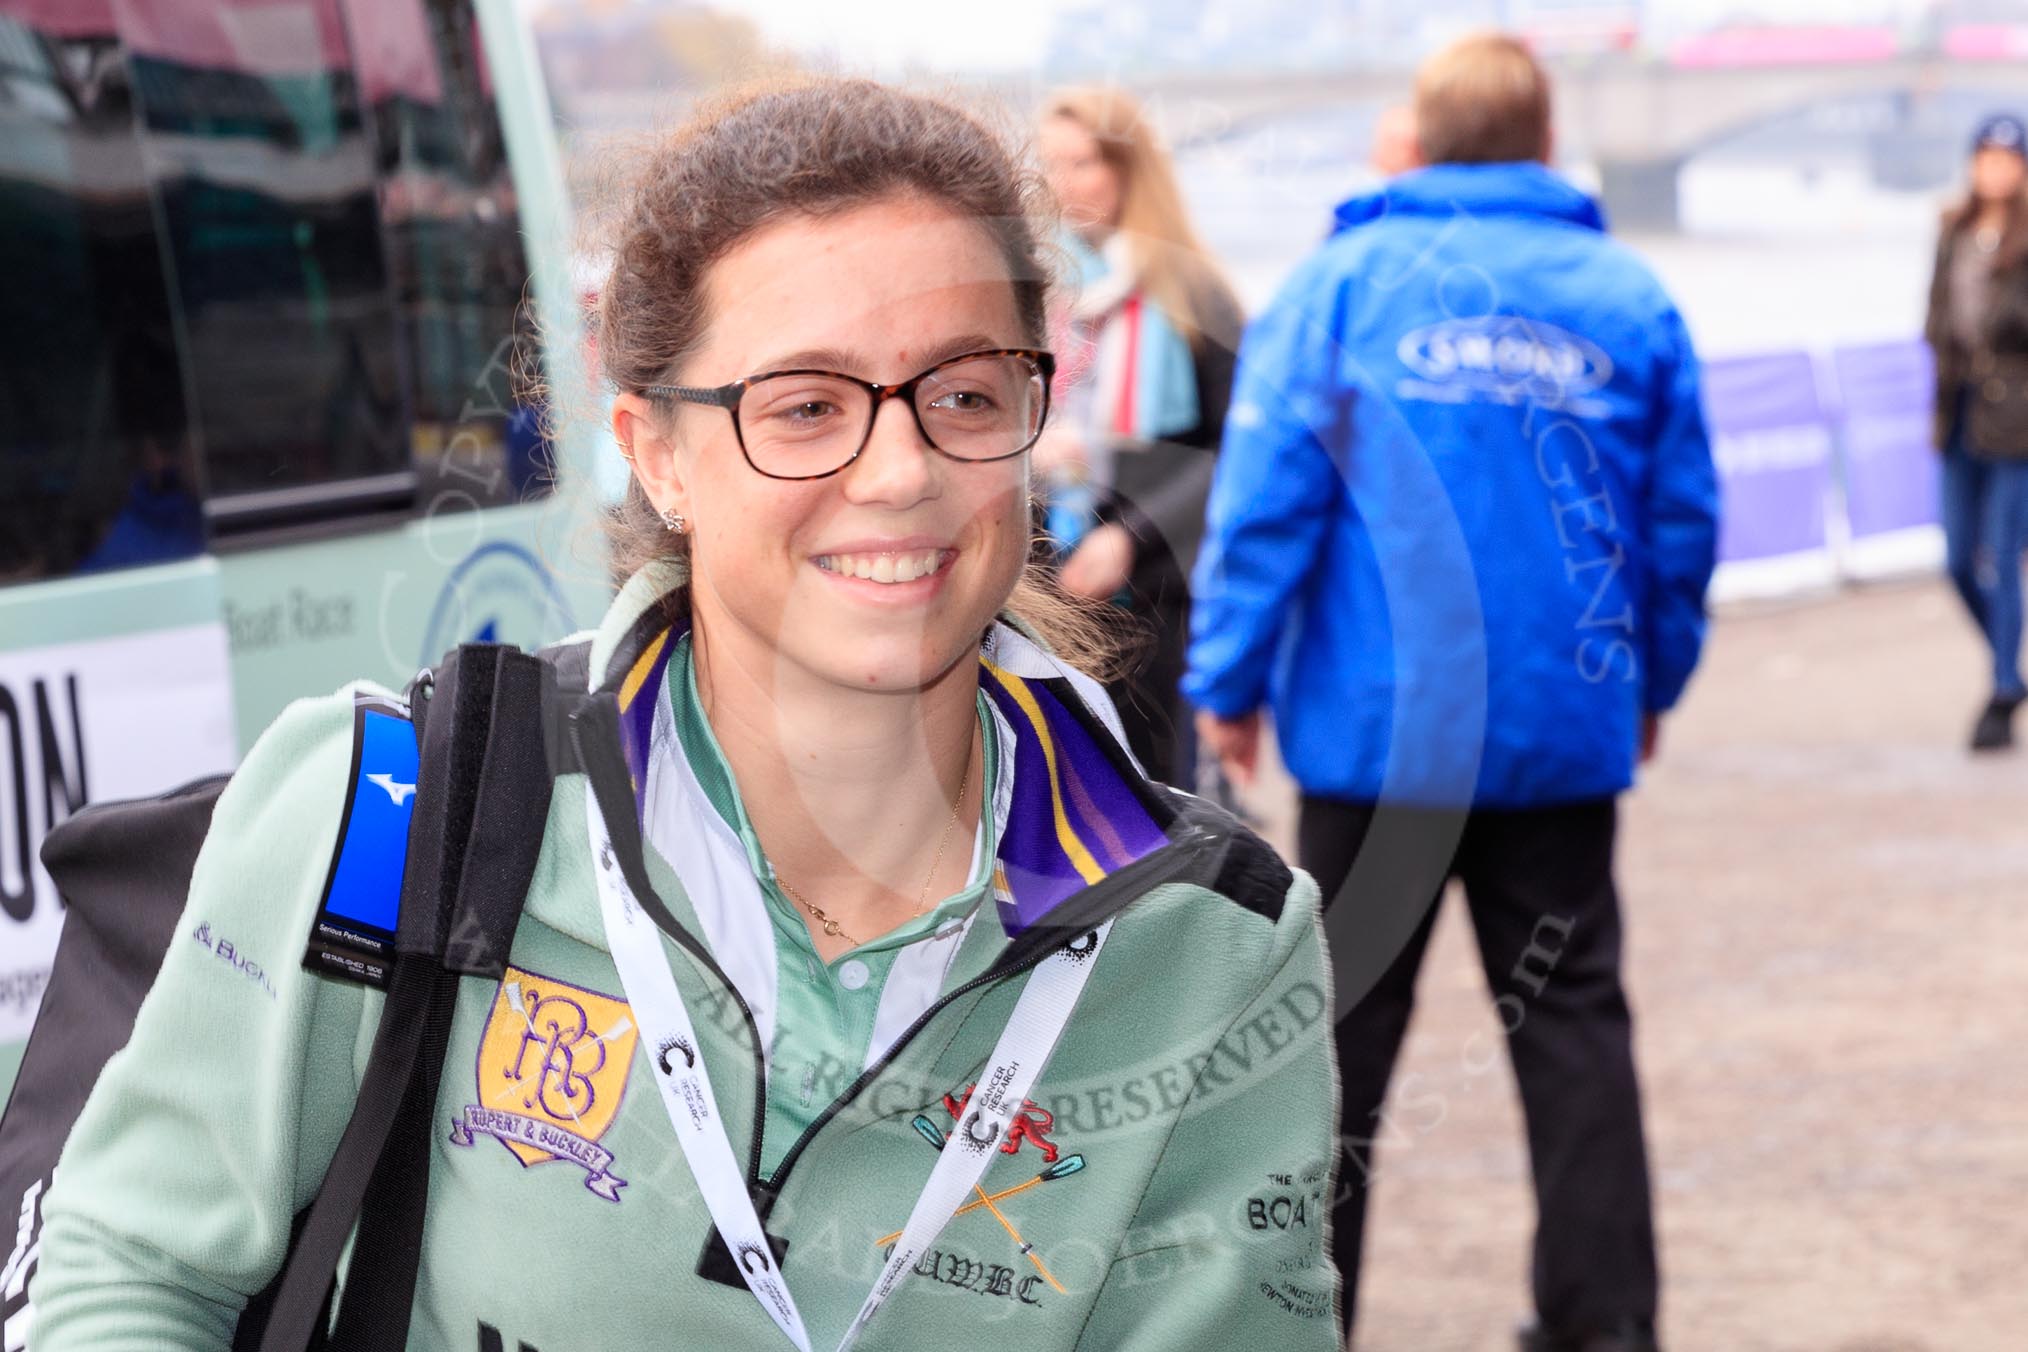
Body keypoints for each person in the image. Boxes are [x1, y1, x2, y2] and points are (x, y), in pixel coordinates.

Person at [28, 79, 1340, 1350]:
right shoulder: (387, 805)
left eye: (965, 395)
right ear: (656, 453)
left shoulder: (1214, 947)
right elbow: (132, 1271)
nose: (900, 470)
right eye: (805, 407)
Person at [1185, 33, 1717, 1352]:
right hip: (1557, 733)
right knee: (1574, 1027)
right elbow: (1680, 523)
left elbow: (1265, 511)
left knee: (1339, 1051)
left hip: (1381, 743)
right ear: (1545, 141)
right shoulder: (1624, 295)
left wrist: (1229, 684)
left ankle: (1310, 1317)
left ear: (1414, 138)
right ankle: (1605, 1324)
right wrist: (1655, 676)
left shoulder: (1342, 288)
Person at [1034, 87, 1244, 787]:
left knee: (1155, 795)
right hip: (1041, 582)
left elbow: (1233, 454)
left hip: (1150, 588)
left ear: (1131, 169)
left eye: (1085, 162)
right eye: (1052, 164)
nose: (1065, 184)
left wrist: (1129, 536)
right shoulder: (1035, 292)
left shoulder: (1194, 294)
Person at [1925, 111, 2028, 752]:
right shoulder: (1952, 232)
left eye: (2007, 157)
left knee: (2002, 552)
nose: (1994, 168)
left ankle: (1999, 686)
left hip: (2018, 424)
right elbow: (1936, 318)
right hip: (1959, 413)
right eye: (1985, 156)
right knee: (1959, 560)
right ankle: (2008, 662)